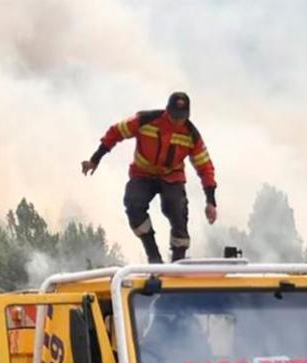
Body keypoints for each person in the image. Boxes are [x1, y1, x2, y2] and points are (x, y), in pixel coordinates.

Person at [81, 92, 217, 263]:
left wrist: (210, 201)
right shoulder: (145, 120)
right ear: (167, 111)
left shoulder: (192, 135)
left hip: (171, 177)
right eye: (174, 116)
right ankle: (153, 256)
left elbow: (205, 166)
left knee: (177, 210)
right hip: (143, 174)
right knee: (133, 204)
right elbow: (116, 132)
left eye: (181, 118)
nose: (177, 121)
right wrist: (95, 159)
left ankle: (178, 262)